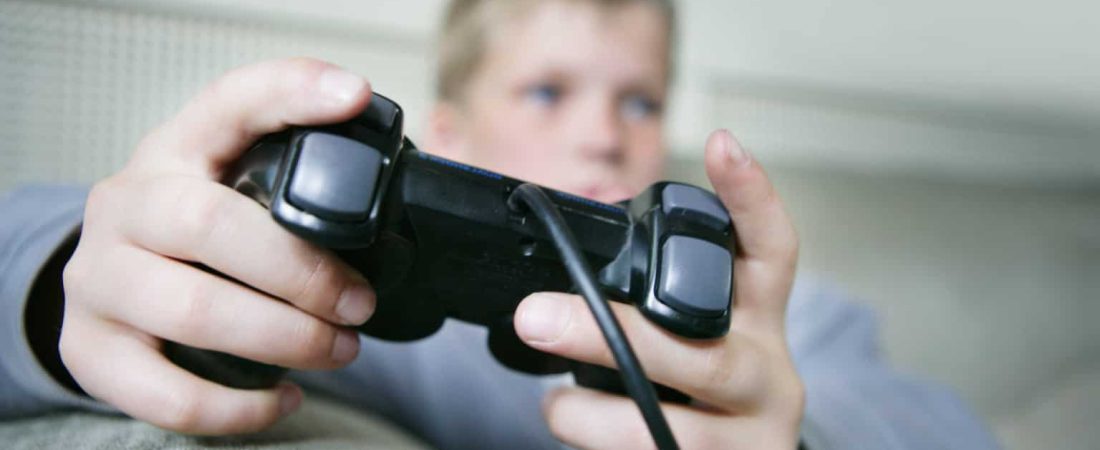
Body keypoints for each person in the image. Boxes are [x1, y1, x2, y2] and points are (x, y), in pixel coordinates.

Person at [0, 0, 1000, 448]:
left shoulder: (767, 318)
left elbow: (943, 428)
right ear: (447, 132)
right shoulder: (340, 272)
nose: (604, 138)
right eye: (546, 89)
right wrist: (66, 283)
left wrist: (794, 431)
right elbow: (43, 241)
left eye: (639, 102)